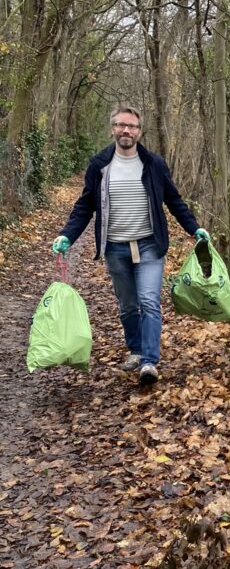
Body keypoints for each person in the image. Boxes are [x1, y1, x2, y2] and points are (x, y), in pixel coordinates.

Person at [52, 106, 209, 384]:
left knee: (149, 301)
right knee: (127, 305)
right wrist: (67, 235)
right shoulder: (99, 165)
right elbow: (85, 205)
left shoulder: (154, 164)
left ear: (139, 131)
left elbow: (174, 200)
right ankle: (136, 350)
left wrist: (194, 228)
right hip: (115, 247)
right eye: (121, 125)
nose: (126, 130)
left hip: (149, 245)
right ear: (112, 128)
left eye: (132, 126)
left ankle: (149, 361)